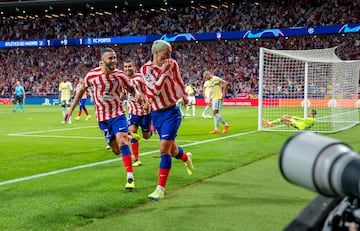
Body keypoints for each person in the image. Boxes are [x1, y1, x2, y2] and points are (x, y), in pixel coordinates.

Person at [64, 47, 139, 190]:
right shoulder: (92, 76)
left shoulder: (120, 75)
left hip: (118, 114)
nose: (114, 61)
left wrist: (139, 97)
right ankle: (126, 134)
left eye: (115, 58)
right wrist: (71, 109)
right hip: (102, 119)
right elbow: (81, 91)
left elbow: (131, 89)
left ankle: (130, 177)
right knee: (116, 150)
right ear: (102, 62)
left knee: (122, 141)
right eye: (110, 58)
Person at [140, 40, 195, 201]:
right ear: (156, 53)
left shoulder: (173, 64)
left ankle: (160, 189)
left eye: (170, 54)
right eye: (166, 54)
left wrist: (184, 96)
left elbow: (178, 79)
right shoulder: (146, 69)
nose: (169, 57)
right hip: (156, 114)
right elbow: (153, 92)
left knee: (164, 149)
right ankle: (186, 158)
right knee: (173, 150)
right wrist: (164, 72)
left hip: (172, 112)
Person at [123, 59, 152, 167]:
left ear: (134, 67)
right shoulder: (123, 80)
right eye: (125, 67)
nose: (127, 69)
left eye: (129, 66)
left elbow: (149, 91)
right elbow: (124, 94)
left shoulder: (140, 77)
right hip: (133, 111)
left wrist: (148, 103)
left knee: (146, 136)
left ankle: (151, 129)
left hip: (145, 110)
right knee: (132, 132)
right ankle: (136, 159)